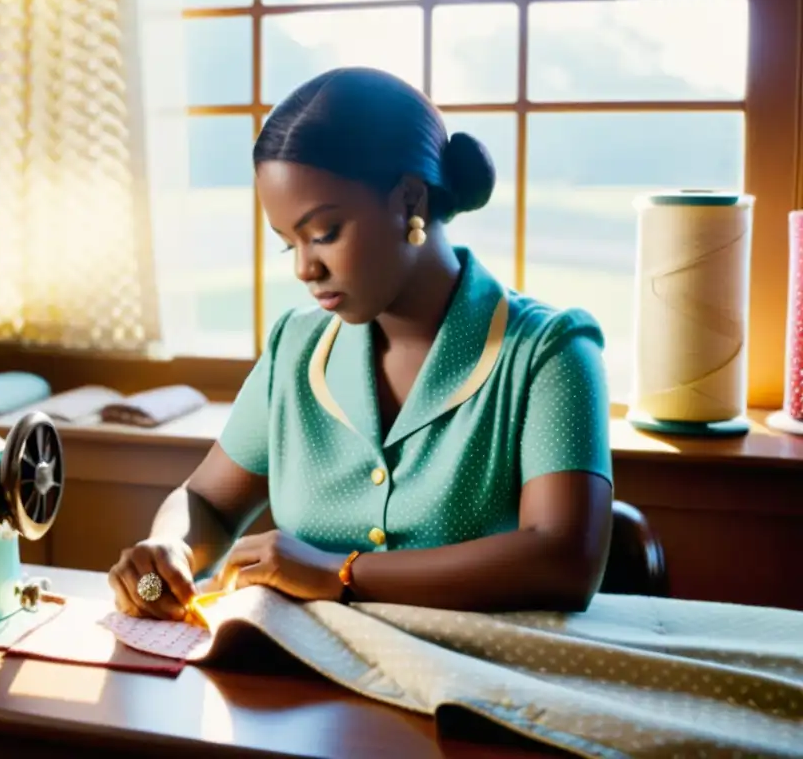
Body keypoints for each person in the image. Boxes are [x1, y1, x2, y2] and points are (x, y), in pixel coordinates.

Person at [109, 67, 613, 622]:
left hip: (472, 692)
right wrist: (169, 549)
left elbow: (564, 560)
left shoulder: (550, 350)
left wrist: (338, 573)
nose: (306, 267)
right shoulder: (295, 349)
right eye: (288, 244)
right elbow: (205, 501)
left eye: (324, 233)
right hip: (297, 696)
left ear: (410, 200)